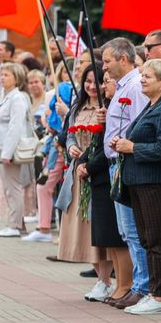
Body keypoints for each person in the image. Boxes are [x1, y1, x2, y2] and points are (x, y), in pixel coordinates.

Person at [111, 60, 161, 315]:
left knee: (157, 238)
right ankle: (154, 290)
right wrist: (123, 143)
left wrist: (133, 148)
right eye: (142, 75)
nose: (142, 79)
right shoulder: (151, 106)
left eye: (148, 76)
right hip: (140, 181)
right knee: (146, 238)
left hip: (156, 182)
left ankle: (159, 295)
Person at [102, 38, 152, 311]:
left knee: (133, 231)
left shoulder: (134, 87)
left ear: (123, 58)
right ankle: (137, 285)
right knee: (126, 231)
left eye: (108, 60)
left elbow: (138, 126)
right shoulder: (124, 86)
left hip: (126, 162)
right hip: (117, 163)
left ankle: (142, 286)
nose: (104, 67)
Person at [56, 67, 113, 301]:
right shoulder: (77, 107)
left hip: (97, 173)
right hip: (77, 174)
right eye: (88, 81)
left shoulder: (107, 109)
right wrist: (71, 147)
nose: (92, 86)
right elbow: (68, 133)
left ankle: (106, 280)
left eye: (97, 82)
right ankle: (102, 280)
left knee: (98, 230)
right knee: (83, 230)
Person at [83, 72, 132, 305]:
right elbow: (99, 141)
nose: (103, 86)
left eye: (106, 80)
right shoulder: (108, 108)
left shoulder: (121, 105)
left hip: (107, 173)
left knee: (118, 236)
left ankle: (126, 284)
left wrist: (91, 166)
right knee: (110, 238)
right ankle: (119, 284)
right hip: (101, 178)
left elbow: (110, 145)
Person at [0, 63, 32, 237]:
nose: (2, 78)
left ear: (16, 78)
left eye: (6, 75)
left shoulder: (17, 98)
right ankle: (17, 224)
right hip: (0, 148)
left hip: (10, 149)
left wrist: (7, 153)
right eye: (1, 74)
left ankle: (14, 225)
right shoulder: (5, 96)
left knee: (13, 188)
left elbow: (16, 126)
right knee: (8, 187)